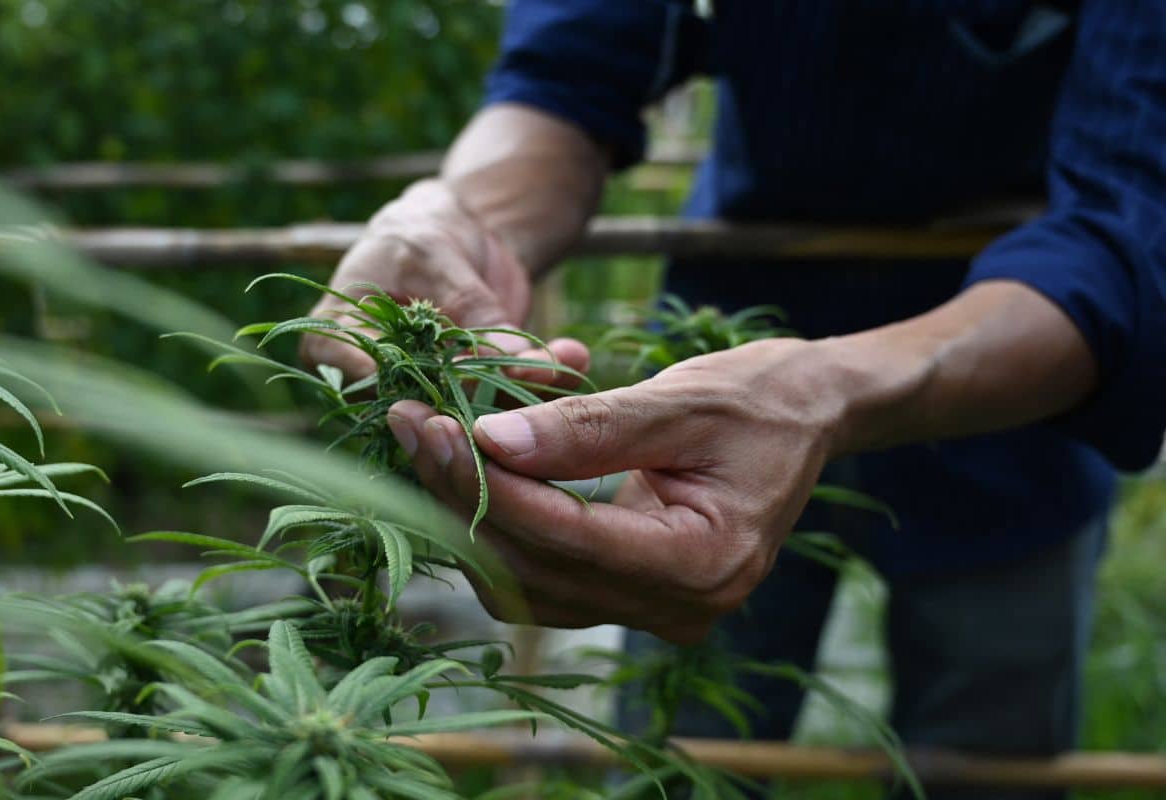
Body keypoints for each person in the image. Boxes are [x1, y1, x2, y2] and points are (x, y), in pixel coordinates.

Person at [301, 3, 1166, 798]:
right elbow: (565, 75)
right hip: (707, 400)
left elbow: (1126, 227)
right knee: (683, 748)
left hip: (1016, 397)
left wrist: (825, 389)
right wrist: (460, 222)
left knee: (987, 757)